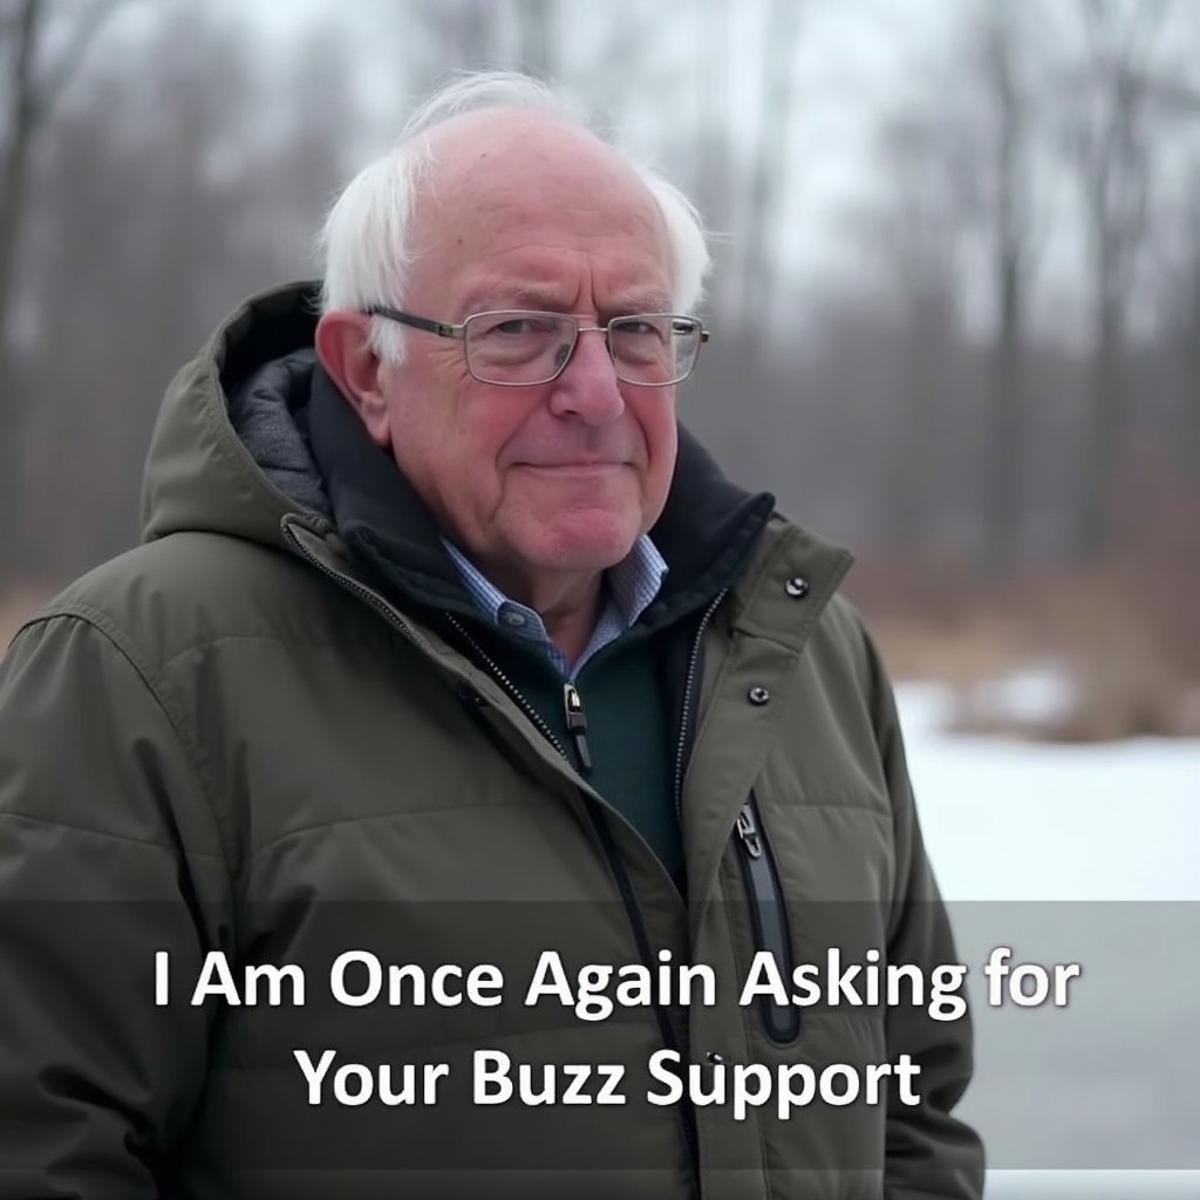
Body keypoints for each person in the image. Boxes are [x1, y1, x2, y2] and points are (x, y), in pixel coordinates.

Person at [0, 73, 983, 1199]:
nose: (599, 393)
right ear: (368, 369)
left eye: (637, 329)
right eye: (519, 331)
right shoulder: (146, 673)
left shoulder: (806, 654)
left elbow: (915, 1103)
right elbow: (39, 1147)